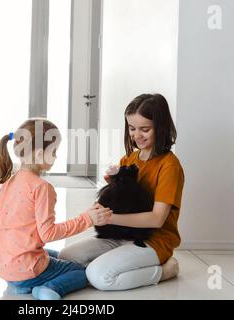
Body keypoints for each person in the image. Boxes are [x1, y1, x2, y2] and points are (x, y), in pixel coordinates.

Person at [58, 94, 185, 291]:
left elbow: (156, 219)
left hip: (153, 240)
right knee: (66, 257)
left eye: (145, 129)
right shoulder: (129, 159)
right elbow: (123, 196)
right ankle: (118, 262)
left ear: (160, 128)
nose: (136, 135)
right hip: (120, 234)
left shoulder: (170, 166)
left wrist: (109, 218)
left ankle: (165, 271)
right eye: (132, 129)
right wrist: (112, 186)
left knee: (100, 277)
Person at [0, 118, 112, 300]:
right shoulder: (41, 188)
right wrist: (87, 219)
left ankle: (22, 285)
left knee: (60, 256)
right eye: (54, 151)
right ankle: (47, 289)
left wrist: (12, 248)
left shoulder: (11, 181)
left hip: (6, 270)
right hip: (28, 272)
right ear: (38, 154)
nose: (56, 156)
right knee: (84, 272)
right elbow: (48, 234)